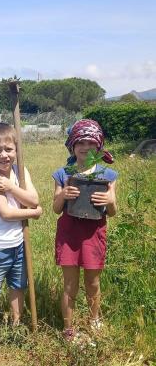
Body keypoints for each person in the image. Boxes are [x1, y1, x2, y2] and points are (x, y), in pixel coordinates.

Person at [0, 122, 42, 355]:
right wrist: (33, 214)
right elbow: (6, 214)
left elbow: (33, 198)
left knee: (18, 285)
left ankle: (17, 323)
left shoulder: (20, 171)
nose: (4, 155)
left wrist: (12, 187)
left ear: (16, 149)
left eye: (8, 149)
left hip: (19, 243)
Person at [52, 119, 117, 342]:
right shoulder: (63, 173)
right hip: (69, 234)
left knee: (93, 282)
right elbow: (55, 208)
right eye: (80, 142)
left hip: (93, 234)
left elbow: (113, 210)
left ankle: (94, 319)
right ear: (72, 145)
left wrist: (109, 199)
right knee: (70, 284)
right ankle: (68, 329)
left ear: (98, 147)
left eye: (91, 142)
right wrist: (63, 195)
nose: (86, 146)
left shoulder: (108, 175)